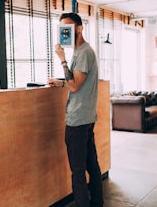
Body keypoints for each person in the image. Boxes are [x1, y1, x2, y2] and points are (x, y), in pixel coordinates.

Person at [48, 13, 104, 207]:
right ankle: (97, 202)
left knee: (78, 171)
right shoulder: (83, 52)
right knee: (92, 166)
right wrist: (60, 82)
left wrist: (62, 59)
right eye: (63, 29)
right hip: (85, 118)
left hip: (78, 120)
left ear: (79, 29)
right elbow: (76, 83)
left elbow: (75, 87)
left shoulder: (83, 53)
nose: (65, 32)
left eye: (69, 28)